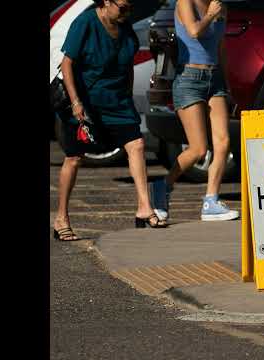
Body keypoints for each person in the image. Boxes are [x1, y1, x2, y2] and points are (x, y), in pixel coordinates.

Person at [53, 0, 167, 241]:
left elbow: (128, 65)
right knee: (74, 158)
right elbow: (67, 63)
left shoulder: (123, 26)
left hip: (117, 101)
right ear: (106, 1)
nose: (128, 12)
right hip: (87, 102)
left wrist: (127, 95)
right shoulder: (86, 23)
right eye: (124, 7)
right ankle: (61, 217)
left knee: (136, 145)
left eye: (130, 7)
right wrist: (76, 102)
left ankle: (144, 207)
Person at [151, 0, 239, 222]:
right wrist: (209, 15)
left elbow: (221, 48)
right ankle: (163, 186)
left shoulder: (220, 7)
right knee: (199, 149)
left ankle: (211, 201)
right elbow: (193, 31)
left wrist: (228, 86)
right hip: (189, 79)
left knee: (223, 142)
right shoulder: (185, 2)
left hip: (215, 79)